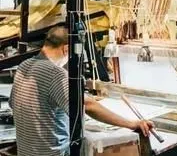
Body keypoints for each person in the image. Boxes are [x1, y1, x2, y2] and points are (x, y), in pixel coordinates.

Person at [9, 26, 154, 156]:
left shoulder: (24, 66)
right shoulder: (55, 73)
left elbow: (15, 103)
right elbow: (88, 105)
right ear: (66, 49)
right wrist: (132, 124)